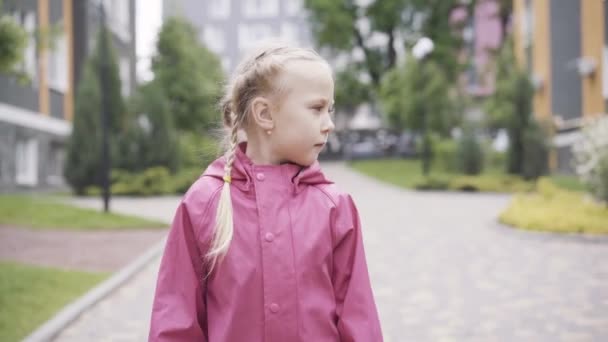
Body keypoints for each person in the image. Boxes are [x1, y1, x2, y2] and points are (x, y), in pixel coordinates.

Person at [148, 43, 383, 342]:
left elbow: (359, 320)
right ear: (265, 114)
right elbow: (175, 321)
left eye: (330, 110)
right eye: (317, 108)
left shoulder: (335, 208)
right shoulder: (205, 202)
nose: (329, 125)